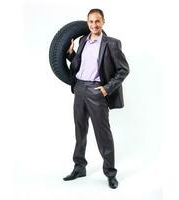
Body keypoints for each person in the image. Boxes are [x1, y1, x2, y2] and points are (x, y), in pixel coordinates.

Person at [63, 8, 129, 189]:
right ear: (87, 23)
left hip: (96, 91)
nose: (94, 25)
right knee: (80, 130)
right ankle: (79, 167)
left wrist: (107, 89)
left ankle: (110, 173)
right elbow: (81, 64)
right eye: (91, 22)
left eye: (97, 21)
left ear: (103, 22)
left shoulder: (112, 44)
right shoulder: (83, 40)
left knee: (103, 134)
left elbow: (124, 70)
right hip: (79, 89)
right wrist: (70, 54)